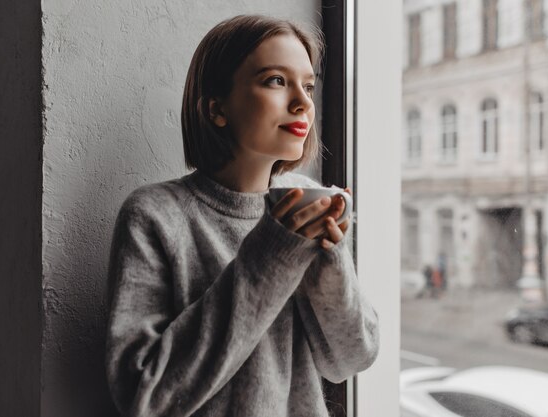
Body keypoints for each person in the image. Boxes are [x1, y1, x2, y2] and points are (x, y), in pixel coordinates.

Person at [105, 14, 379, 417]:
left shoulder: (304, 205)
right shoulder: (154, 216)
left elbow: (350, 360)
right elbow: (144, 398)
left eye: (307, 85)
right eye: (275, 80)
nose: (303, 102)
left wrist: (330, 260)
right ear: (217, 108)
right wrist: (272, 255)